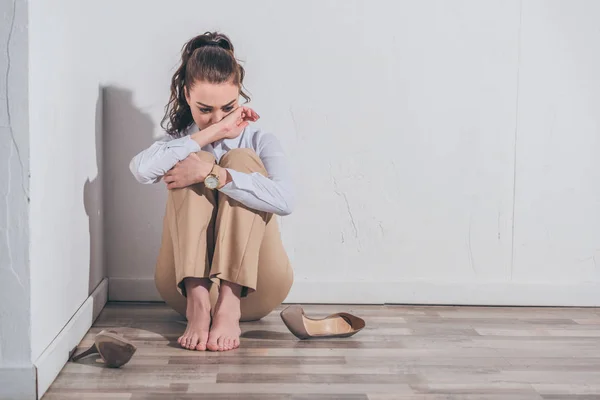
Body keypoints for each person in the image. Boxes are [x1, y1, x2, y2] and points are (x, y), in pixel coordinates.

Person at [129, 32, 294, 352]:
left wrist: (213, 174)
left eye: (228, 108)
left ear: (240, 98)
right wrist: (208, 136)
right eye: (205, 109)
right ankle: (199, 301)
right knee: (191, 158)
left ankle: (230, 302)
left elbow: (286, 201)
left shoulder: (260, 139)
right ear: (187, 96)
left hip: (257, 287)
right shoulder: (177, 141)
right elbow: (139, 170)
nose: (217, 118)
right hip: (183, 293)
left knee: (240, 161)